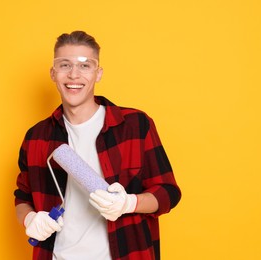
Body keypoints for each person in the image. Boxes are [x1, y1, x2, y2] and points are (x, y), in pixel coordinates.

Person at [14, 30, 181, 260]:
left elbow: (168, 193)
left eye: (85, 66)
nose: (74, 75)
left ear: (98, 73)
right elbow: (22, 197)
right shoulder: (36, 137)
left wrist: (129, 203)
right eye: (65, 65)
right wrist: (30, 219)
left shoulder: (135, 125)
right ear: (53, 74)